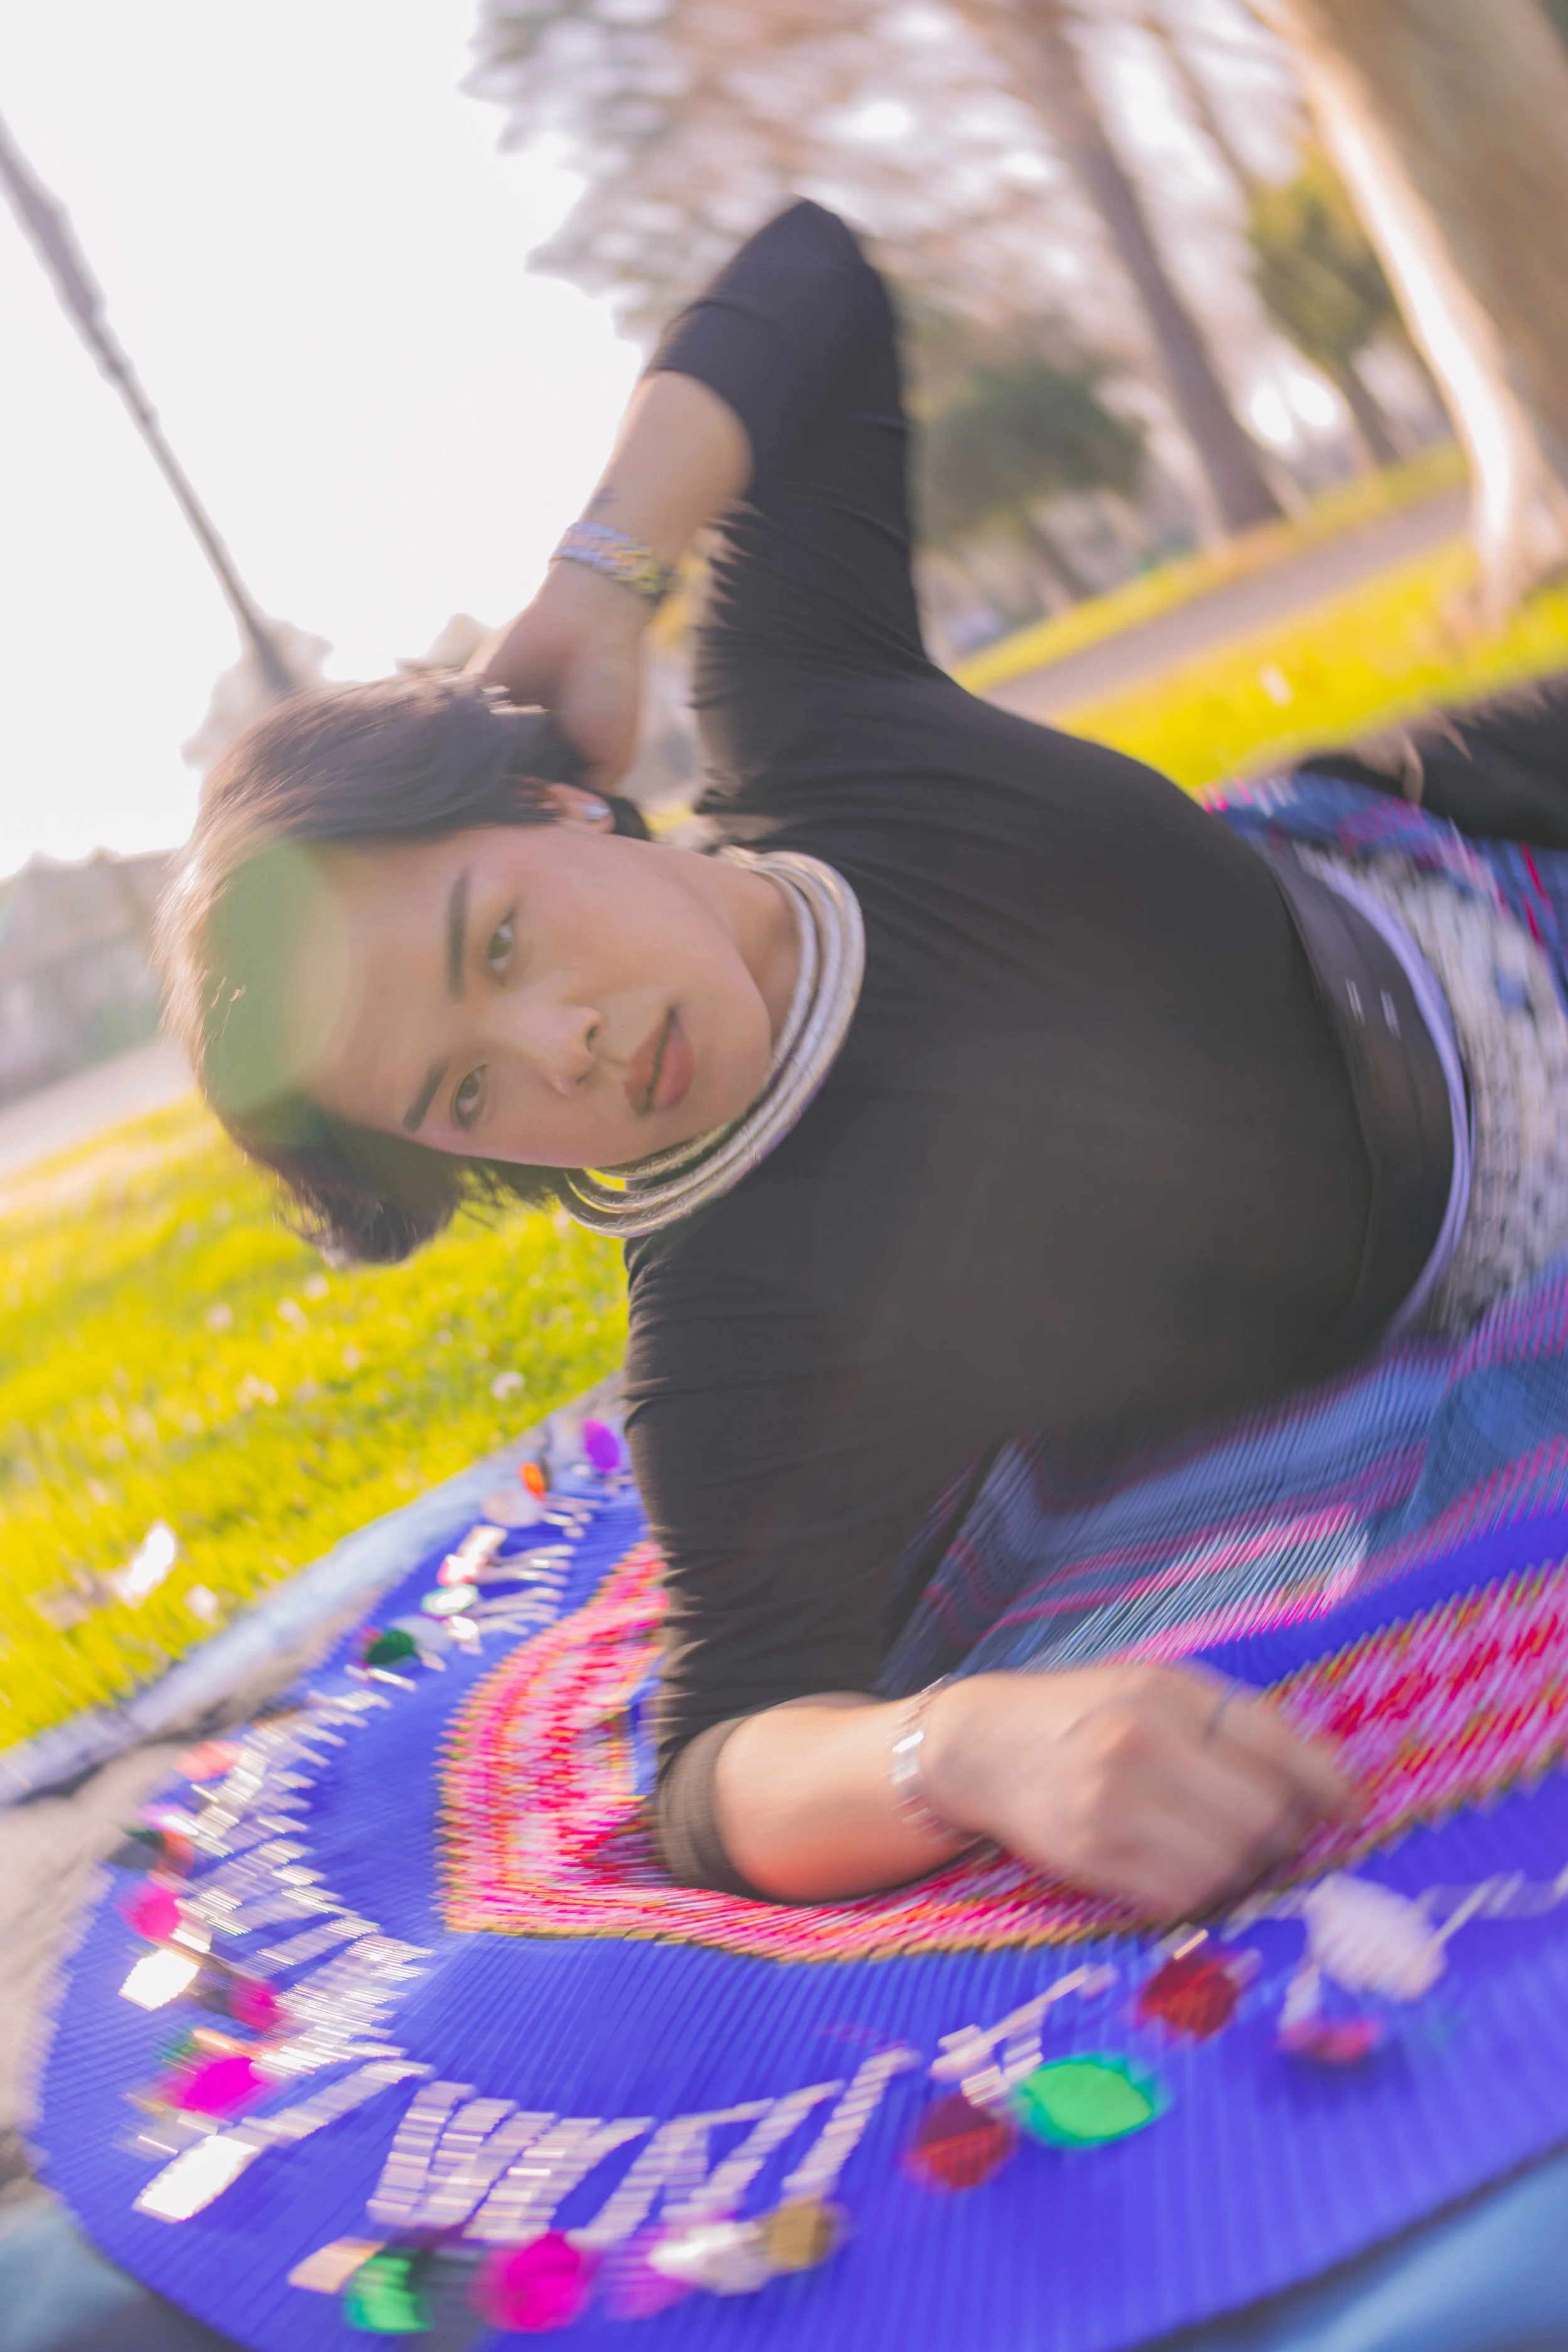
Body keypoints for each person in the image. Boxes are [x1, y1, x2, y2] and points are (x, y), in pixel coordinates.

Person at [157, 198, 1568, 1923]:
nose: (560, 1046)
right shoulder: (744, 1312)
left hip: (1448, 847)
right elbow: (718, 1761)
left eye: (500, 941)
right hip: (1491, 1209)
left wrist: (598, 580)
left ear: (543, 795)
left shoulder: (805, 712)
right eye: (464, 1093)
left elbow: (809, 275)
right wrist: (959, 1746)